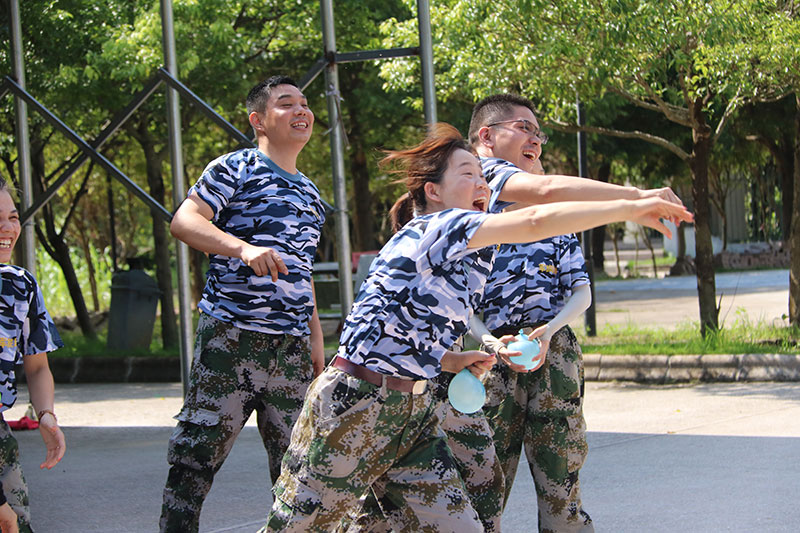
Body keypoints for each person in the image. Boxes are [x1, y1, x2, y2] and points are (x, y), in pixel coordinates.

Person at [261, 123, 692, 532]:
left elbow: (396, 330)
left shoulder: (464, 255)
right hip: (356, 404)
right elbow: (536, 219)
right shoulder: (440, 226)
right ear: (434, 191)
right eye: (469, 175)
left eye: (484, 179)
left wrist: (452, 359)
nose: (483, 186)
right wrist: (631, 205)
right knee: (297, 525)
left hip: (411, 415)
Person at [468, 93, 673, 532]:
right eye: (524, 128)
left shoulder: (550, 221)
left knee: (561, 484)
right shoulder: (474, 191)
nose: (536, 142)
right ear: (486, 136)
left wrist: (549, 330)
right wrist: (638, 198)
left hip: (552, 351)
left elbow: (579, 288)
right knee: (483, 486)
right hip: (487, 354)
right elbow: (460, 302)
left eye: (538, 134)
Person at [159, 76, 326, 532]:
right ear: (258, 120)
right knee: (196, 458)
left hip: (290, 347)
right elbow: (184, 221)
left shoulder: (312, 195)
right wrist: (241, 249)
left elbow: (302, 271)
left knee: (299, 468)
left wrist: (315, 338)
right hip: (231, 338)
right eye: (286, 103)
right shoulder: (235, 168)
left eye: (305, 103)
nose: (301, 111)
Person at [0, 177, 66, 533]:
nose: (7, 229)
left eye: (12, 218)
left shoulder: (20, 285)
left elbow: (37, 365)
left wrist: (45, 415)